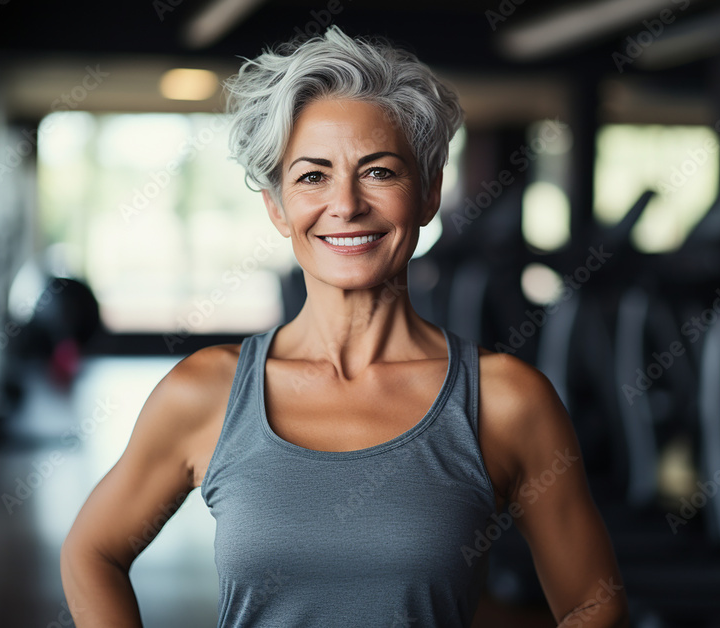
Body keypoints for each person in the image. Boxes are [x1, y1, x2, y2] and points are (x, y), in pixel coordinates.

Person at [60, 25, 628, 628]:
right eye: (312, 176)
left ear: (429, 193)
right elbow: (92, 551)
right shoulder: (206, 393)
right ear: (277, 207)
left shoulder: (508, 401)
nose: (347, 204)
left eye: (380, 172)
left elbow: (595, 603)